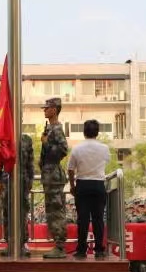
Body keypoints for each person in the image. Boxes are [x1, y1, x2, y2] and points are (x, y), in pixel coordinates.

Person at [67, 119, 110, 259]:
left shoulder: (77, 148)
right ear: (97, 132)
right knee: (98, 219)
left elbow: (70, 169)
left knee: (83, 219)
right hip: (98, 185)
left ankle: (81, 250)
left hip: (82, 185)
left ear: (84, 132)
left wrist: (72, 186)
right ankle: (99, 250)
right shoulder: (104, 148)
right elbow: (106, 162)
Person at [40, 98, 69, 259]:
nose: (45, 110)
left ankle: (60, 246)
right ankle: (58, 244)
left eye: (47, 108)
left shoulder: (57, 128)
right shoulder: (50, 128)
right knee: (52, 211)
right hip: (49, 174)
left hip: (53, 175)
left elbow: (63, 150)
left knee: (56, 211)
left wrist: (46, 144)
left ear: (55, 109)